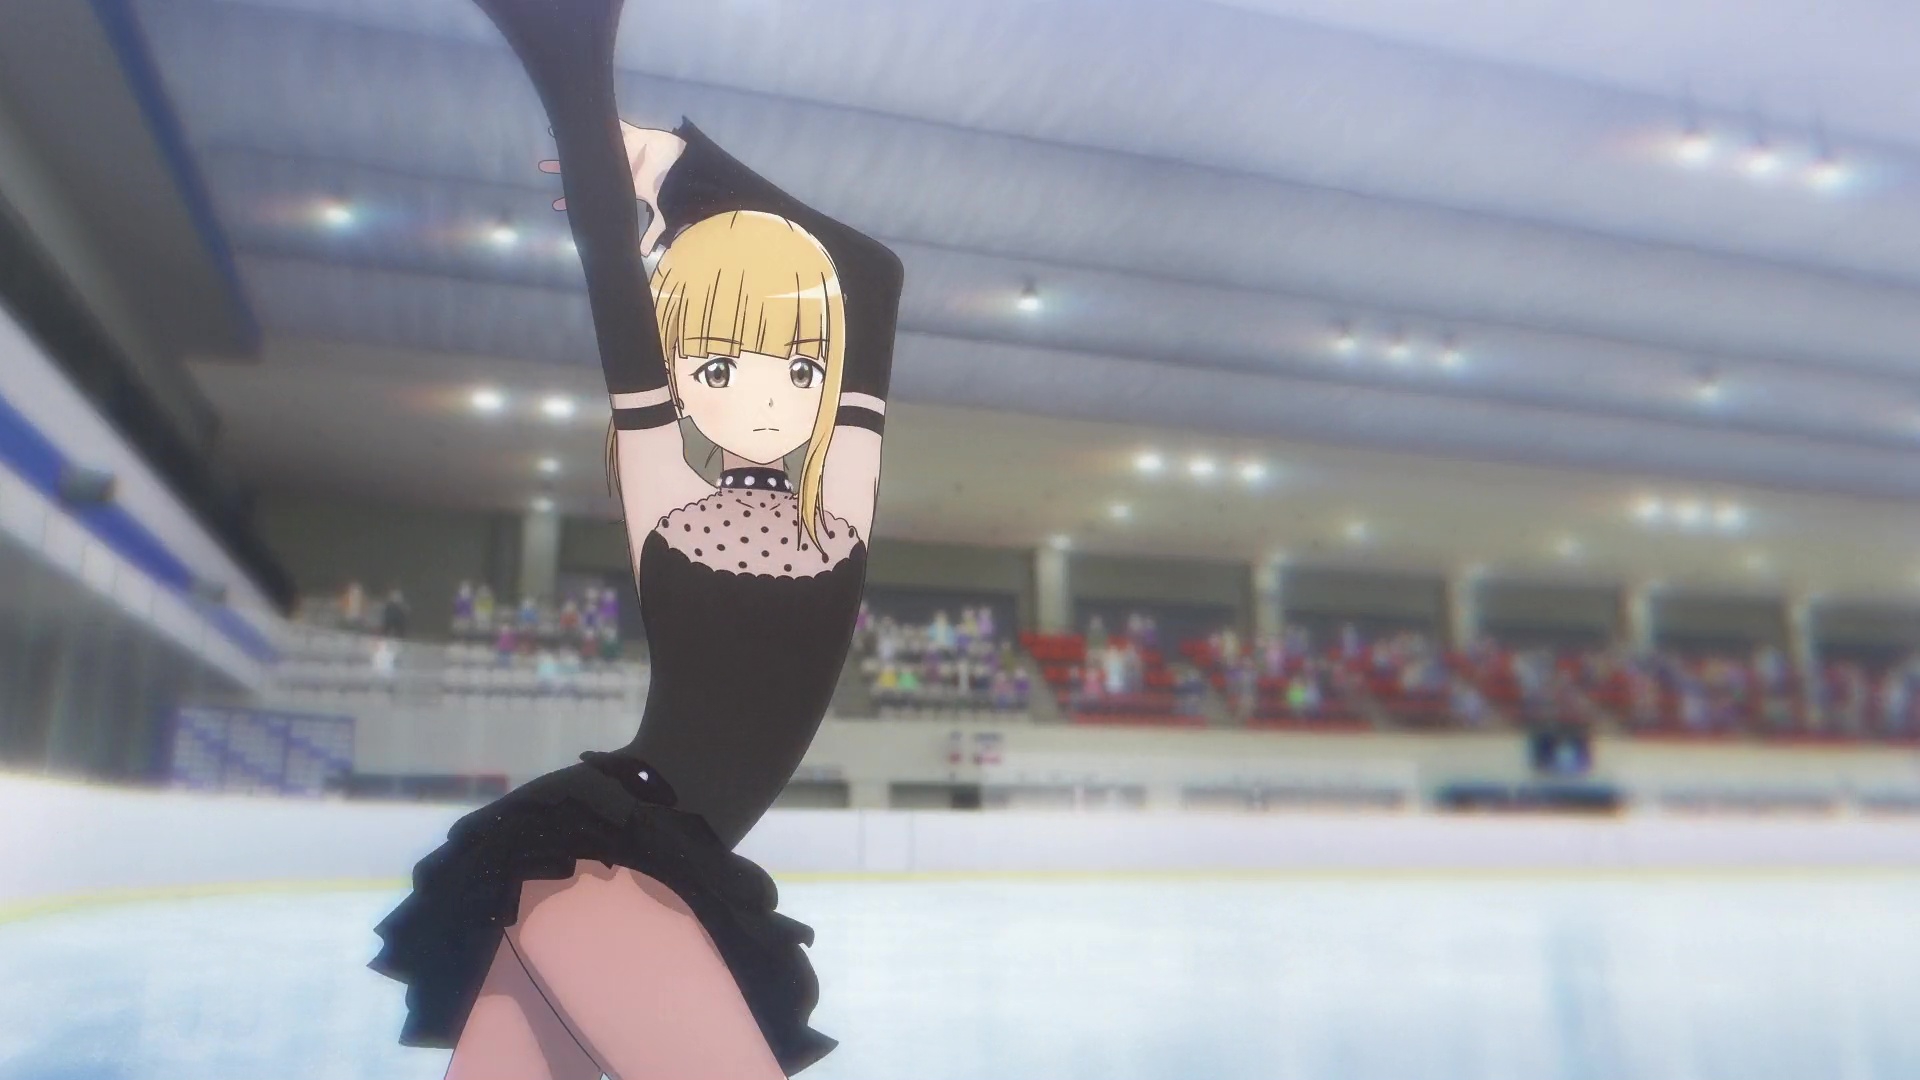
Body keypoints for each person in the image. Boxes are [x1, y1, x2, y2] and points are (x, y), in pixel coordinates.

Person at [369, 10, 903, 1076]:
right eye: (722, 367)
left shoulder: (838, 494)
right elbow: (611, 261)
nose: (769, 395)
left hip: (645, 854)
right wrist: (581, 93)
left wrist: (676, 163)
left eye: (801, 368)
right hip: (612, 861)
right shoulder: (665, 489)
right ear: (681, 380)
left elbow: (869, 276)